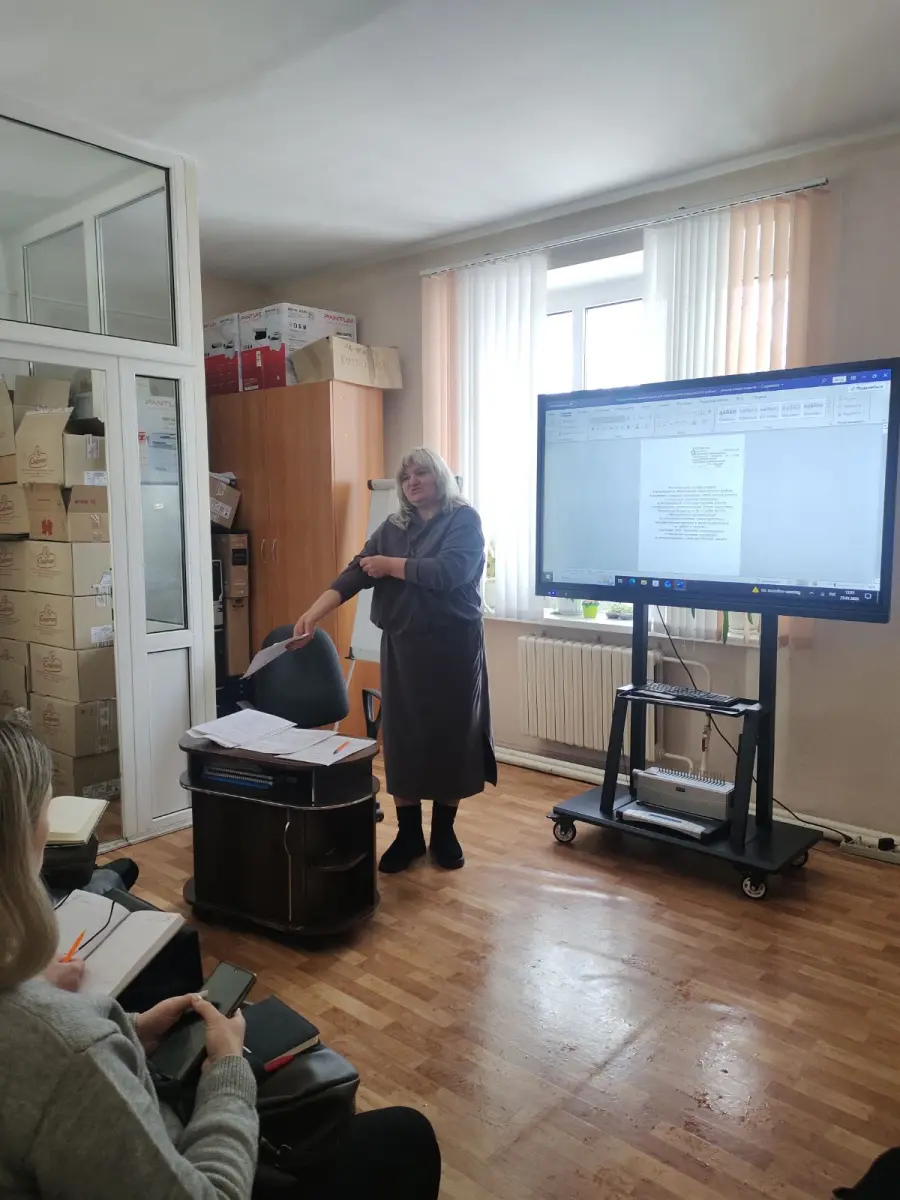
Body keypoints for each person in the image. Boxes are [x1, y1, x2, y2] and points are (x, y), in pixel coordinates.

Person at [0, 712, 441, 1199]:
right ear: (20, 844)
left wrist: (130, 1029)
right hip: (200, 1162)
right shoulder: (72, 1058)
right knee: (406, 1138)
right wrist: (229, 1074)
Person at [294, 447, 496, 874]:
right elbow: (356, 571)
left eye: (421, 473)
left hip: (454, 649)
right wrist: (314, 613)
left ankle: (444, 832)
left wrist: (390, 566)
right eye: (405, 477)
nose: (412, 482)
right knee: (404, 740)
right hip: (403, 648)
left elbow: (448, 573)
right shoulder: (392, 527)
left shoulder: (464, 520)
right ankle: (409, 835)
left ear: (440, 477)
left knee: (450, 738)